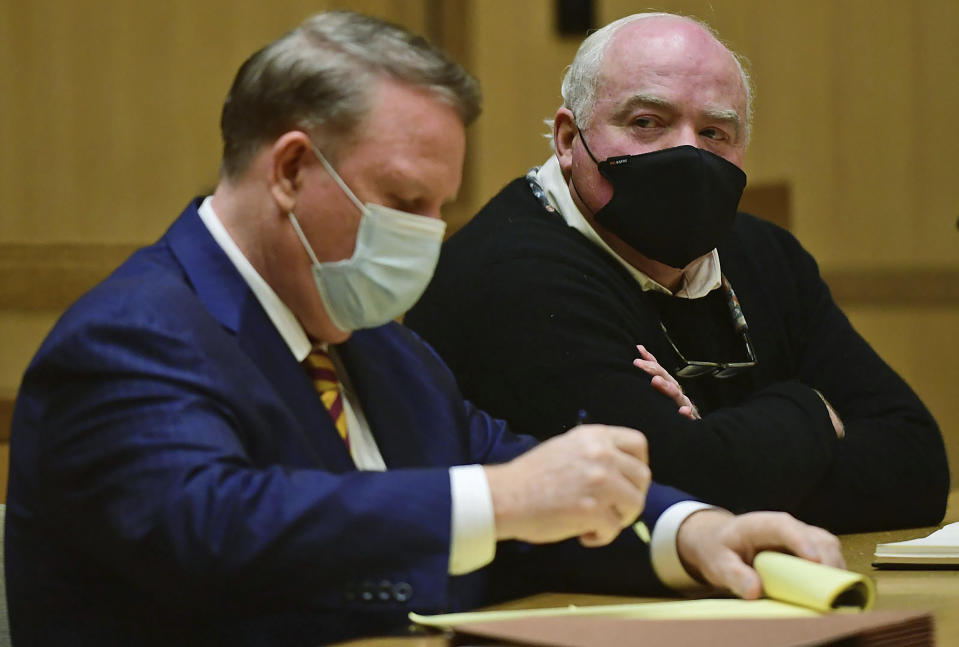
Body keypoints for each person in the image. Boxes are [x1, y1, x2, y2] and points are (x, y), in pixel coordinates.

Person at [5, 11, 843, 647]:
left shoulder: (377, 341)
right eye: (405, 202)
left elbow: (504, 468)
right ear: (292, 169)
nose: (429, 233)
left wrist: (691, 532)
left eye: (440, 206)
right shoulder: (130, 339)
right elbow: (218, 525)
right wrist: (504, 499)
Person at [406, 12, 949, 534]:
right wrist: (811, 410)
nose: (687, 152)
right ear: (569, 140)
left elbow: (917, 463)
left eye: (715, 133)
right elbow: (662, 496)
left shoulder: (765, 254)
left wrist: (718, 454)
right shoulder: (512, 275)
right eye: (647, 123)